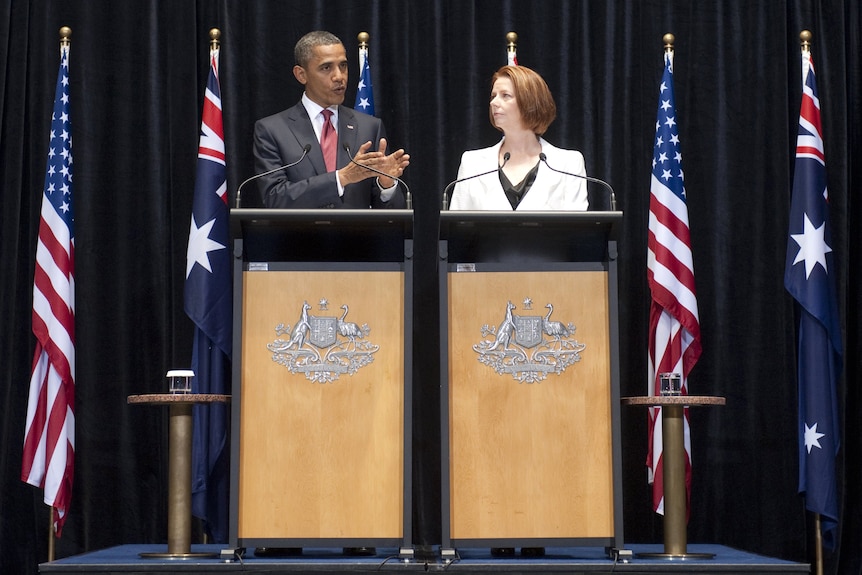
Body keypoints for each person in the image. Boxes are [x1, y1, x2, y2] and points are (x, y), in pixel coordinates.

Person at [252, 30, 409, 209]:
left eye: (343, 66)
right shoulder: (272, 130)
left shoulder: (369, 127)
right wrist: (341, 178)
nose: (339, 77)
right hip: (298, 236)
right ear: (301, 74)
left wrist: (386, 185)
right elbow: (275, 198)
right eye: (326, 68)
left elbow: (392, 217)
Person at [449, 65, 588, 211]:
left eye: (505, 96)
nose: (494, 103)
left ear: (530, 102)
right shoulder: (473, 164)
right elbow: (457, 228)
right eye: (493, 96)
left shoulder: (568, 164)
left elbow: (577, 228)